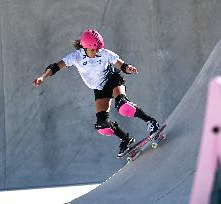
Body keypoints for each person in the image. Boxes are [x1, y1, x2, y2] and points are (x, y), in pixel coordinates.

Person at [33, 29, 160, 158]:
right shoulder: (76, 57)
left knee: (123, 107)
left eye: (98, 49)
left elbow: (121, 65)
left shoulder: (104, 53)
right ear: (85, 47)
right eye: (93, 50)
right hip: (100, 89)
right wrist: (42, 77)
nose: (96, 52)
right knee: (102, 126)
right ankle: (125, 139)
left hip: (113, 80)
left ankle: (151, 122)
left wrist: (128, 68)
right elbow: (55, 66)